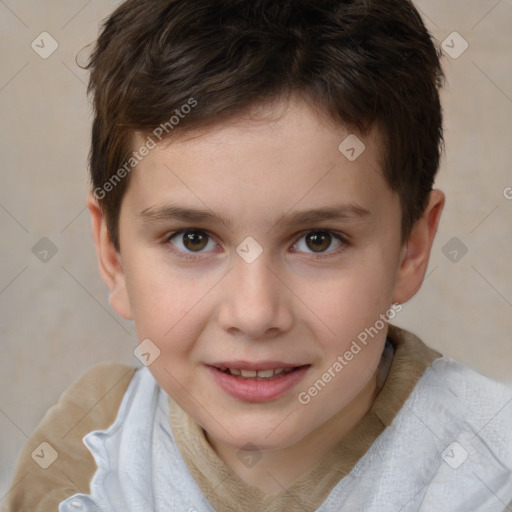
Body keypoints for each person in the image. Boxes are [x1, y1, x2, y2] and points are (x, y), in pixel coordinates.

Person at [4, 0, 512, 510]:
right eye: (193, 239)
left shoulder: (492, 471)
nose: (254, 314)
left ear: (411, 248)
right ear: (113, 255)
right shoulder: (87, 447)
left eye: (318, 239)